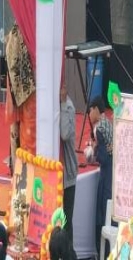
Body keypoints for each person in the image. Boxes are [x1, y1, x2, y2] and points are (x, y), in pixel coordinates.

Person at [5, 24, 36, 154]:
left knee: (27, 125)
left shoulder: (23, 29)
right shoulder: (18, 30)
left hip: (27, 87)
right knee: (21, 127)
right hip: (23, 87)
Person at [87, 95, 112, 257]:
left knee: (103, 215)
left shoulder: (99, 129)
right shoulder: (108, 123)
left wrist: (94, 149)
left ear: (96, 109)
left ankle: (104, 252)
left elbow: (102, 157)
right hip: (113, 174)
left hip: (106, 175)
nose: (89, 115)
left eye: (90, 110)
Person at [59, 79, 77, 253]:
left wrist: (63, 102)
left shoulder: (68, 106)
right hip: (56, 174)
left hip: (67, 175)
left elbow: (64, 134)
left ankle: (69, 254)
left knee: (66, 221)